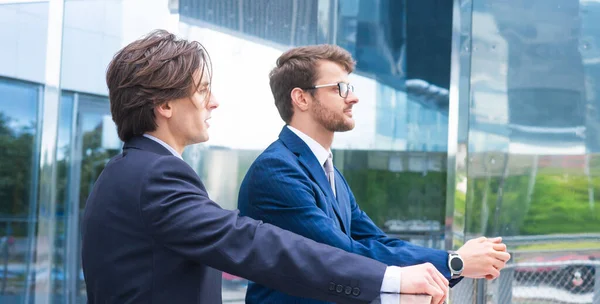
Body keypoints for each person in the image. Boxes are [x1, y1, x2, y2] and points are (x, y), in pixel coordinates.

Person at [80, 29, 451, 304]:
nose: (214, 103)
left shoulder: (128, 171)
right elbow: (256, 244)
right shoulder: (156, 176)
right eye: (202, 91)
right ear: (164, 105)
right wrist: (389, 279)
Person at [237, 44, 512, 304]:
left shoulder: (325, 169)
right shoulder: (276, 170)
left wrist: (452, 261)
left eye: (351, 87)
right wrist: (456, 262)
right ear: (301, 98)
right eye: (340, 88)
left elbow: (374, 240)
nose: (353, 97)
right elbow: (341, 255)